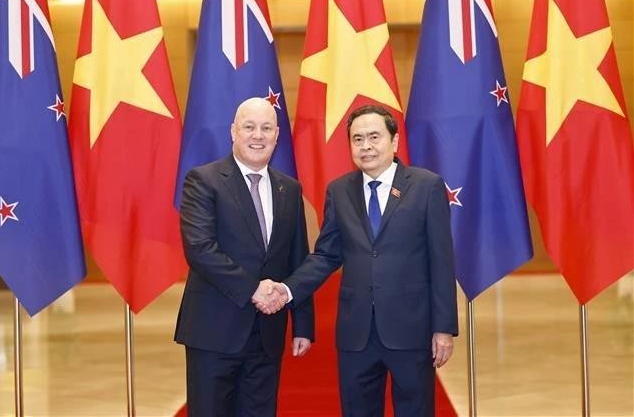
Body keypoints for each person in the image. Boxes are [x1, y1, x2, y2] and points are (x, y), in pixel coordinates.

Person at [255, 105, 458, 416]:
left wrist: (443, 328)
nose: (366, 146)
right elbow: (326, 255)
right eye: (358, 139)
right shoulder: (340, 191)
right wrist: (287, 289)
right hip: (356, 333)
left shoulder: (426, 186)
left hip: (411, 328)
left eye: (374, 137)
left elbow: (442, 262)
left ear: (395, 140)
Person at [175, 97, 314, 416]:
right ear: (233, 132)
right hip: (213, 330)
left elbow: (297, 258)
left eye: (266, 128)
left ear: (277, 135)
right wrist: (253, 288)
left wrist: (303, 323)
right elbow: (200, 249)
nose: (258, 135)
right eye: (249, 127)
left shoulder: (289, 189)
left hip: (267, 334)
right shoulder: (203, 181)